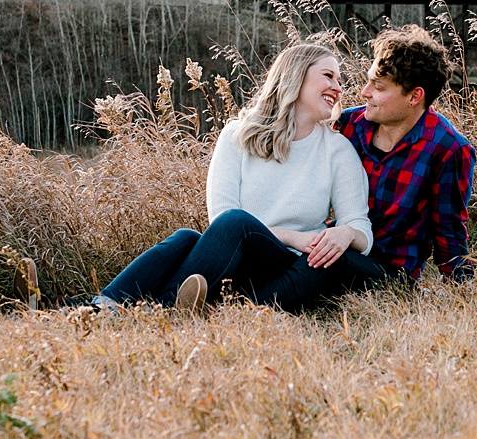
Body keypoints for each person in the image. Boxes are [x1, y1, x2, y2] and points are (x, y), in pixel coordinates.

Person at [92, 42, 373, 313]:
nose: (338, 87)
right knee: (188, 237)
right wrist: (296, 237)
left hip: (289, 268)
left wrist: (346, 233)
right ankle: (103, 306)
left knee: (231, 225)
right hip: (233, 261)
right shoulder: (237, 136)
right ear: (296, 77)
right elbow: (221, 220)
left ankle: (162, 310)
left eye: (339, 79)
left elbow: (361, 228)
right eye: (328, 76)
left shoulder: (337, 150)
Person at [330, 25, 475, 290]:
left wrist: (463, 292)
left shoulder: (448, 149)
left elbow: (449, 229)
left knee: (323, 262)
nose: (365, 92)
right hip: (334, 243)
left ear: (414, 96)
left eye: (379, 87)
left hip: (387, 271)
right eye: (369, 80)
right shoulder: (347, 125)